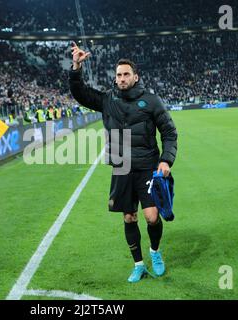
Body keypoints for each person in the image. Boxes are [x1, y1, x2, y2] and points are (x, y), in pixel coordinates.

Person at [69, 42, 178, 283]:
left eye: (126, 74)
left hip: (148, 166)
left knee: (151, 217)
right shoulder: (107, 100)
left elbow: (169, 133)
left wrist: (165, 160)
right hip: (122, 166)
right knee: (129, 217)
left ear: (135, 77)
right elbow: (80, 93)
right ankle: (138, 264)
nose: (121, 78)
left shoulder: (151, 101)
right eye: (118, 75)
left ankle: (155, 252)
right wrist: (76, 66)